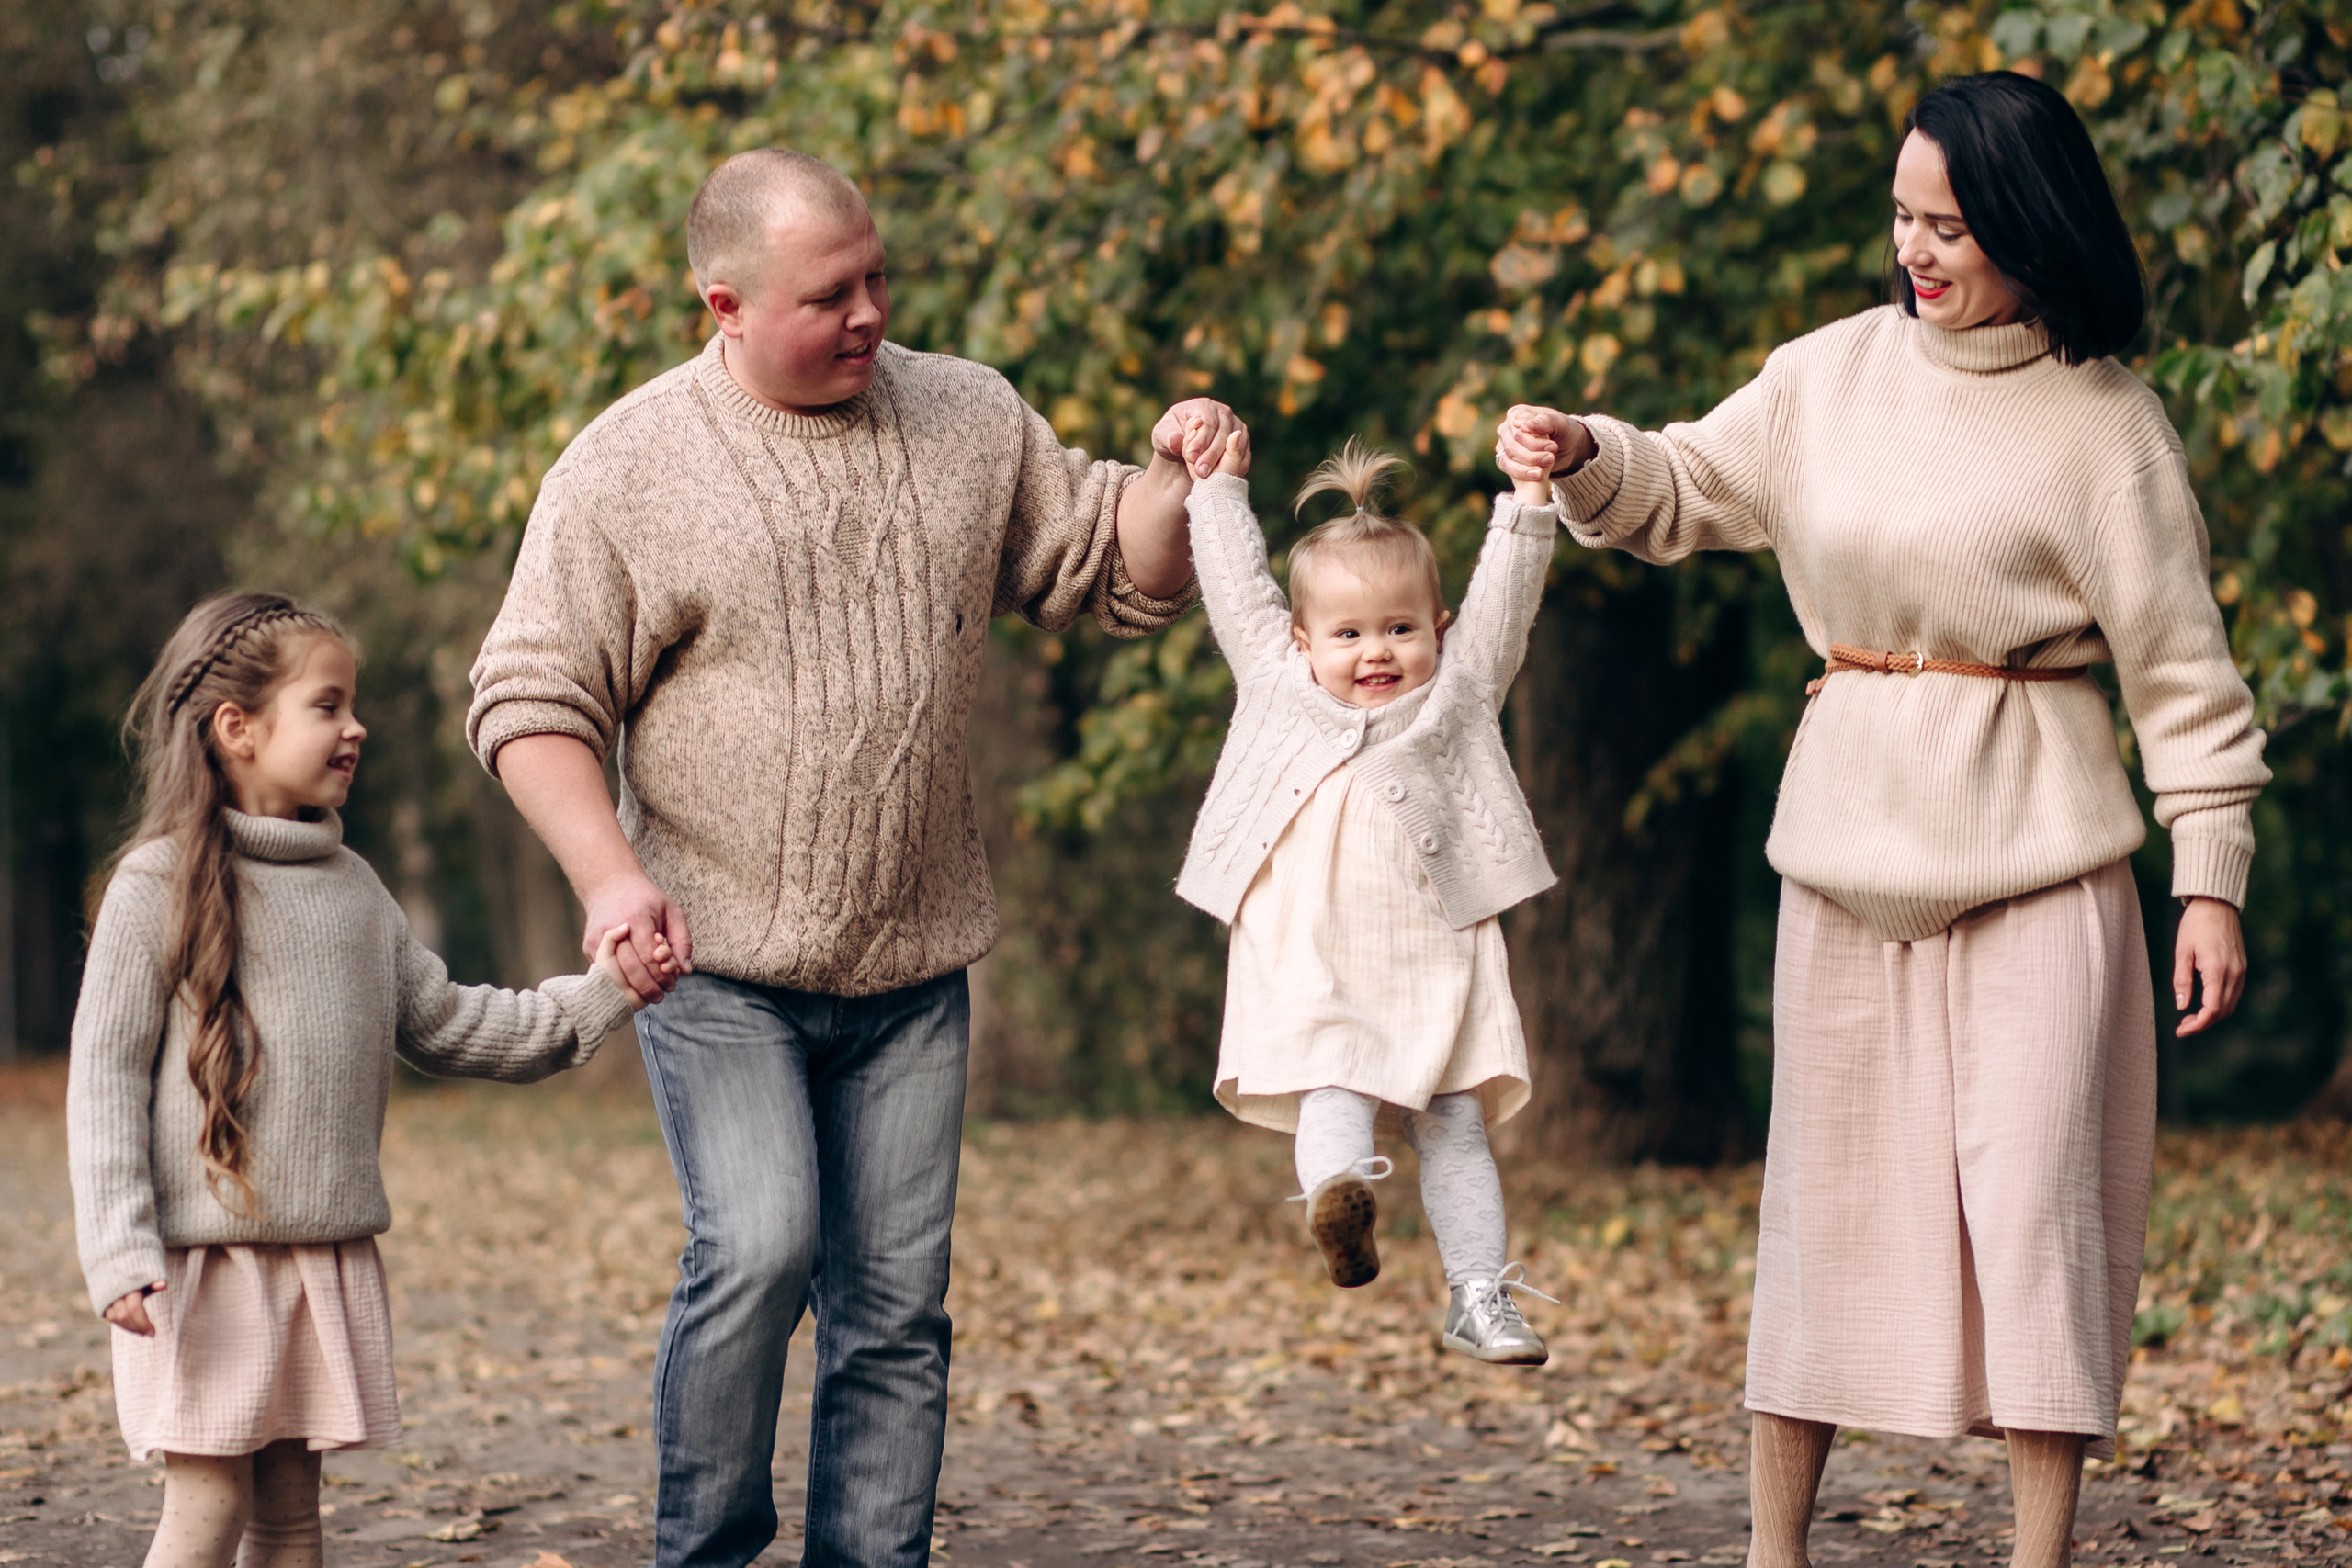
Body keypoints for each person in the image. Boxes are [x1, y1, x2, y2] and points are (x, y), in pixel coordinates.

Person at [1496, 70, 2267, 1568]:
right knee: (1826, 1214)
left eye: (1950, 226)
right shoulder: (1827, 375)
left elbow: (2183, 673)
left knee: (2038, 1217)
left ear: (2031, 229)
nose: (1914, 248)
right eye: (1902, 215)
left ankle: (2038, 1553)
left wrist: (2213, 880)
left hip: (2043, 858)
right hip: (1845, 854)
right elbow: (1684, 482)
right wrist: (1589, 453)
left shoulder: (2112, 428)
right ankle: (1773, 1552)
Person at [464, 148, 1232, 1568]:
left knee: (893, 1307)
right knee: (758, 1246)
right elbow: (530, 697)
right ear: (725, 304)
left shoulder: (968, 414)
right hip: (714, 958)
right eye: (831, 294)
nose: (871, 310)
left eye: (878, 276)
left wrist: (1178, 477)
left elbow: (1108, 564)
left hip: (912, 960)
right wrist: (610, 876)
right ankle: (708, 1548)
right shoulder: (630, 466)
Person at [67, 592, 647, 1568]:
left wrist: (604, 995)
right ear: (238, 728)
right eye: (327, 705)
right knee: (209, 1507)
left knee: (293, 1521)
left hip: (318, 1264)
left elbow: (453, 1023)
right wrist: (118, 1248)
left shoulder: (357, 892)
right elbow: (103, 1082)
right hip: (200, 1271)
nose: (356, 726)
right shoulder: (154, 888)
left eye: (354, 704)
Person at [1175, 426, 1563, 1364]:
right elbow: (1237, 589)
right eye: (1347, 635)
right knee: (1334, 1092)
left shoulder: (1458, 692)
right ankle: (1336, 1204)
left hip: (1438, 949)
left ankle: (1480, 1297)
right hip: (1311, 949)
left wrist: (1529, 501)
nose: (1375, 652)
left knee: (1456, 1122)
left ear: (1439, 626)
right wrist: (1217, 490)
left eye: (1399, 628)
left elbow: (1506, 602)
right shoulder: (1277, 686)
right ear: (1301, 641)